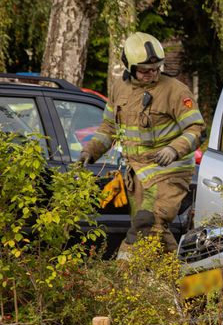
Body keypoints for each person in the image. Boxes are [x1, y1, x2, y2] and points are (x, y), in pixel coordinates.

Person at [80, 32, 205, 252]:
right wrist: (91, 150)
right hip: (138, 174)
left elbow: (196, 129)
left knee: (145, 226)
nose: (152, 74)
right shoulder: (119, 88)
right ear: (129, 67)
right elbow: (109, 127)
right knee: (154, 230)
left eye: (157, 69)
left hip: (170, 172)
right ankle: (184, 282)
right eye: (145, 70)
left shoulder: (175, 90)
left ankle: (124, 274)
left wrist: (173, 150)